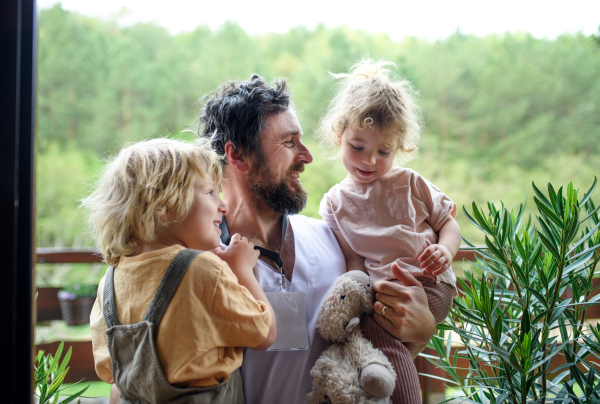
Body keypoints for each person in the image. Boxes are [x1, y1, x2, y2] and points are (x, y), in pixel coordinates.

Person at [110, 75, 438, 404]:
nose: (307, 156)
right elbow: (129, 383)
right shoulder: (187, 268)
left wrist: (422, 332)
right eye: (289, 142)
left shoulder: (336, 240)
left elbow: (373, 358)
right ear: (238, 156)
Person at [87, 138, 276, 403]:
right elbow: (264, 334)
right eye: (210, 192)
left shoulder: (109, 283)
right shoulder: (203, 269)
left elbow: (111, 372)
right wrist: (241, 269)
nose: (223, 205)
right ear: (164, 206)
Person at [317, 60, 461, 403]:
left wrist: (445, 251)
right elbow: (354, 262)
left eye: (383, 152)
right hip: (382, 293)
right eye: (358, 147)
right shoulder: (334, 203)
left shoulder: (410, 183)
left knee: (380, 341)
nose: (369, 161)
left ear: (400, 148)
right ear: (339, 136)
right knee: (373, 339)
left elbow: (449, 224)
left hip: (429, 284)